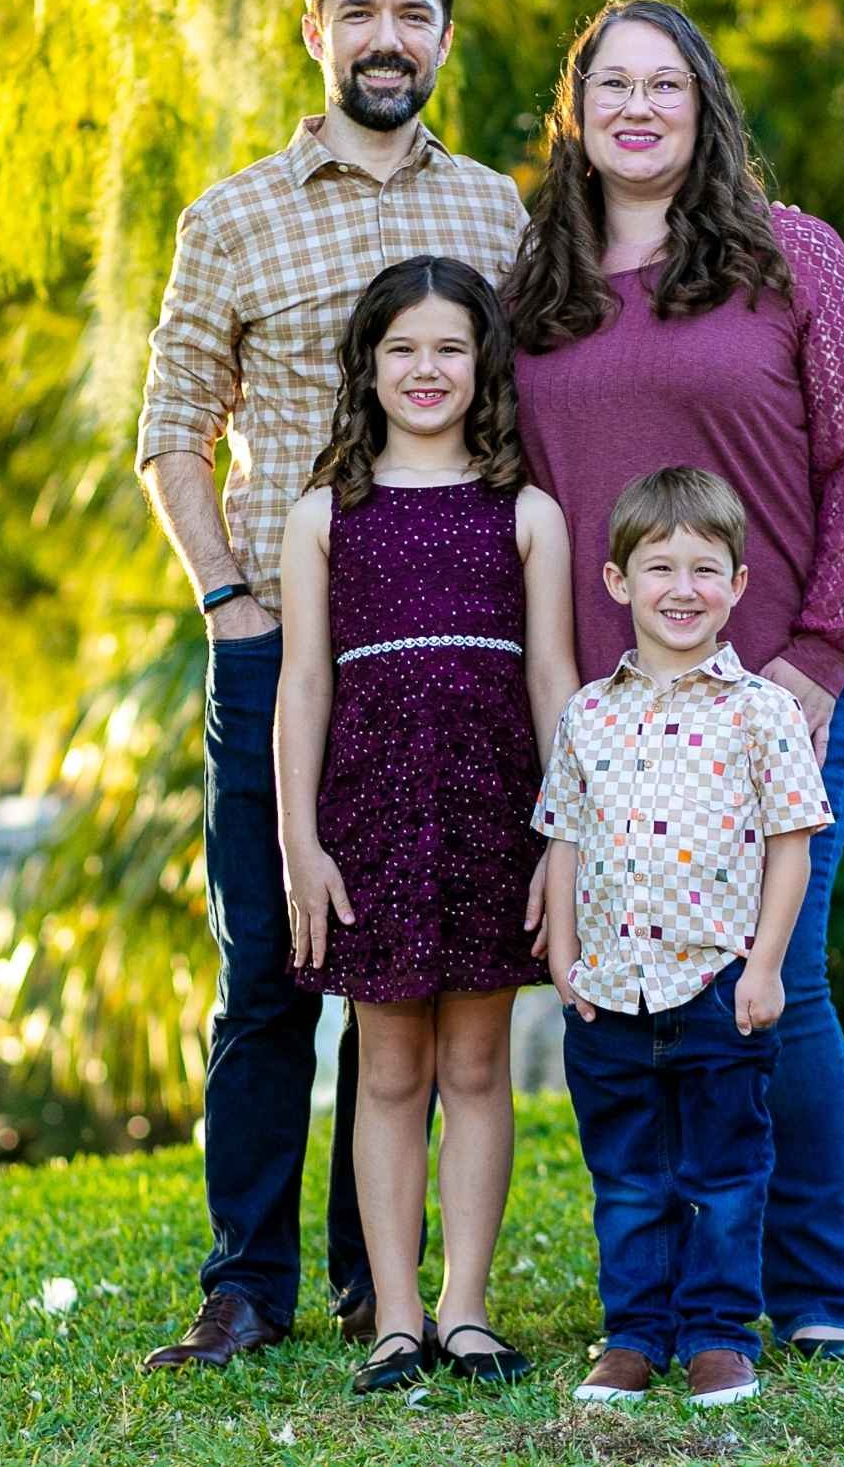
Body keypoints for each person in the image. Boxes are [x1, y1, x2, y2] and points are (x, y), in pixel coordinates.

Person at [135, 0, 528, 1372]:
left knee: (413, 970)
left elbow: (523, 421)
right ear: (315, 30)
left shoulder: (498, 212)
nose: (387, 38)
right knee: (269, 972)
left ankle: (391, 1284)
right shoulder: (232, 216)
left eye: (413, 16)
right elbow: (172, 430)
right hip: (286, 651)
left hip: (449, 656)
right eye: (359, 12)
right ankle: (245, 1282)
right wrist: (229, 595)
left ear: (440, 37)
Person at [508, 0, 844, 1360]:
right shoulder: (534, 285)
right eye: (611, 84)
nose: (638, 107)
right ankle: (671, 1293)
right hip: (605, 721)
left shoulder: (791, 256)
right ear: (576, 109)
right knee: (626, 995)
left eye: (664, 84)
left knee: (775, 982)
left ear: (704, 104)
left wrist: (821, 653)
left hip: (766, 701)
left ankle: (823, 1288)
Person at [276, 256, 575, 1394]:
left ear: (483, 364)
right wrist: (301, 841)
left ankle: (465, 1307)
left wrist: (563, 831)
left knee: (478, 1062)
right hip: (372, 818)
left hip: (495, 809)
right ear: (367, 366)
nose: (426, 368)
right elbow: (304, 686)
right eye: (402, 348)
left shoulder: (527, 512)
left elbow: (552, 678)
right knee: (389, 1068)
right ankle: (394, 1314)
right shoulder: (325, 514)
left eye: (449, 347)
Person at [536, 465, 832, 1408]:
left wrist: (769, 965)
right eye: (659, 567)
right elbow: (566, 841)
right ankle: (632, 1334)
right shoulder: (588, 714)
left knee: (725, 1172)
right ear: (618, 581)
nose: (682, 589)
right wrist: (562, 958)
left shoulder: (762, 713)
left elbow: (792, 848)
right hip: (611, 991)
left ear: (738, 585)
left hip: (716, 987)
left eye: (705, 569)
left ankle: (715, 1335)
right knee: (626, 1175)